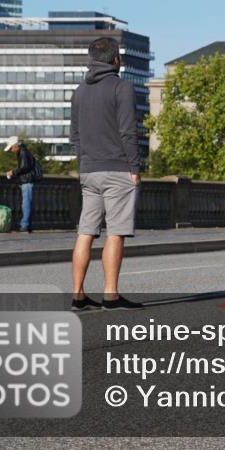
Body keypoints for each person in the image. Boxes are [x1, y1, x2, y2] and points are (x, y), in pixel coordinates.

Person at [69, 37, 142, 311]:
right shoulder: (121, 88)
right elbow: (128, 132)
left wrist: (84, 163)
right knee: (116, 232)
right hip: (117, 169)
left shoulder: (79, 91)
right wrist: (134, 168)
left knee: (85, 232)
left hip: (89, 170)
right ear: (115, 60)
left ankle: (78, 294)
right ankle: (110, 295)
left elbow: (74, 136)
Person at [4, 135, 38, 233]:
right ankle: (28, 225)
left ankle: (24, 225)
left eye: (11, 148)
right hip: (28, 180)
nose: (11, 150)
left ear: (16, 145)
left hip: (27, 181)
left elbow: (24, 167)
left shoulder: (23, 152)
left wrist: (13, 172)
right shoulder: (24, 151)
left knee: (26, 204)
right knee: (28, 203)